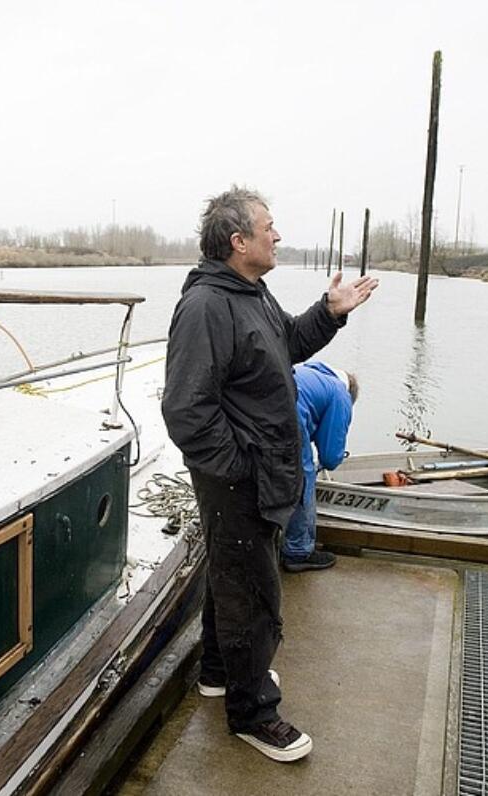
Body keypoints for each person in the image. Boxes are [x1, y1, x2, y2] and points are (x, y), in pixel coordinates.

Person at [161, 186, 377, 762]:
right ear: (239, 241)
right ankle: (253, 712)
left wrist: (329, 313)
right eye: (268, 227)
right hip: (239, 480)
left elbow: (287, 344)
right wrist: (239, 469)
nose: (277, 236)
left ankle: (217, 672)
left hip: (257, 474)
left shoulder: (250, 292)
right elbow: (186, 409)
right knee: (254, 594)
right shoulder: (208, 306)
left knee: (230, 577)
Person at [281, 361, 358, 573]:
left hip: (268, 405)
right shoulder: (340, 395)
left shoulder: (313, 372)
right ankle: (299, 552)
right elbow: (331, 456)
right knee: (302, 477)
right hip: (290, 415)